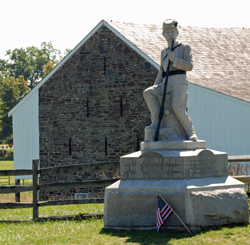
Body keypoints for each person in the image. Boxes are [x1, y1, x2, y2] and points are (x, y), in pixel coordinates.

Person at [143, 19, 198, 141]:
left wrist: (175, 60)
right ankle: (156, 121)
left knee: (177, 107)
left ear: (177, 32)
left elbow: (189, 66)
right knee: (148, 93)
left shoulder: (184, 48)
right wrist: (156, 87)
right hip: (166, 83)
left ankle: (190, 131)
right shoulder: (163, 52)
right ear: (163, 35)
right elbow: (161, 73)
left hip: (180, 82)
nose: (170, 35)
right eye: (167, 32)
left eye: (172, 31)